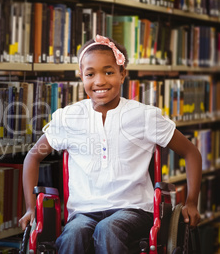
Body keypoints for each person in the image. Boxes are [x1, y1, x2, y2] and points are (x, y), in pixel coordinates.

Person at [18, 34, 202, 253]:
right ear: (81, 77)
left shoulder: (143, 116)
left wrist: (191, 202)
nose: (100, 81)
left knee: (108, 229)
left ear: (122, 74)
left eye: (108, 72)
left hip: (134, 210)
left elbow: (191, 153)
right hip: (83, 212)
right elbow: (33, 156)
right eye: (90, 74)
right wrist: (31, 207)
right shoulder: (69, 117)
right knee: (73, 233)